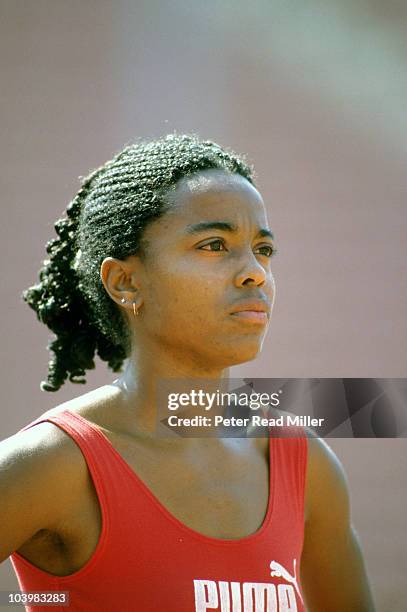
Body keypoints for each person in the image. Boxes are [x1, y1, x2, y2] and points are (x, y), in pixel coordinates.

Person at [0, 133, 376, 611]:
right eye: (215, 245)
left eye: (263, 250)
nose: (255, 273)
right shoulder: (54, 465)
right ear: (125, 281)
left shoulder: (301, 463)